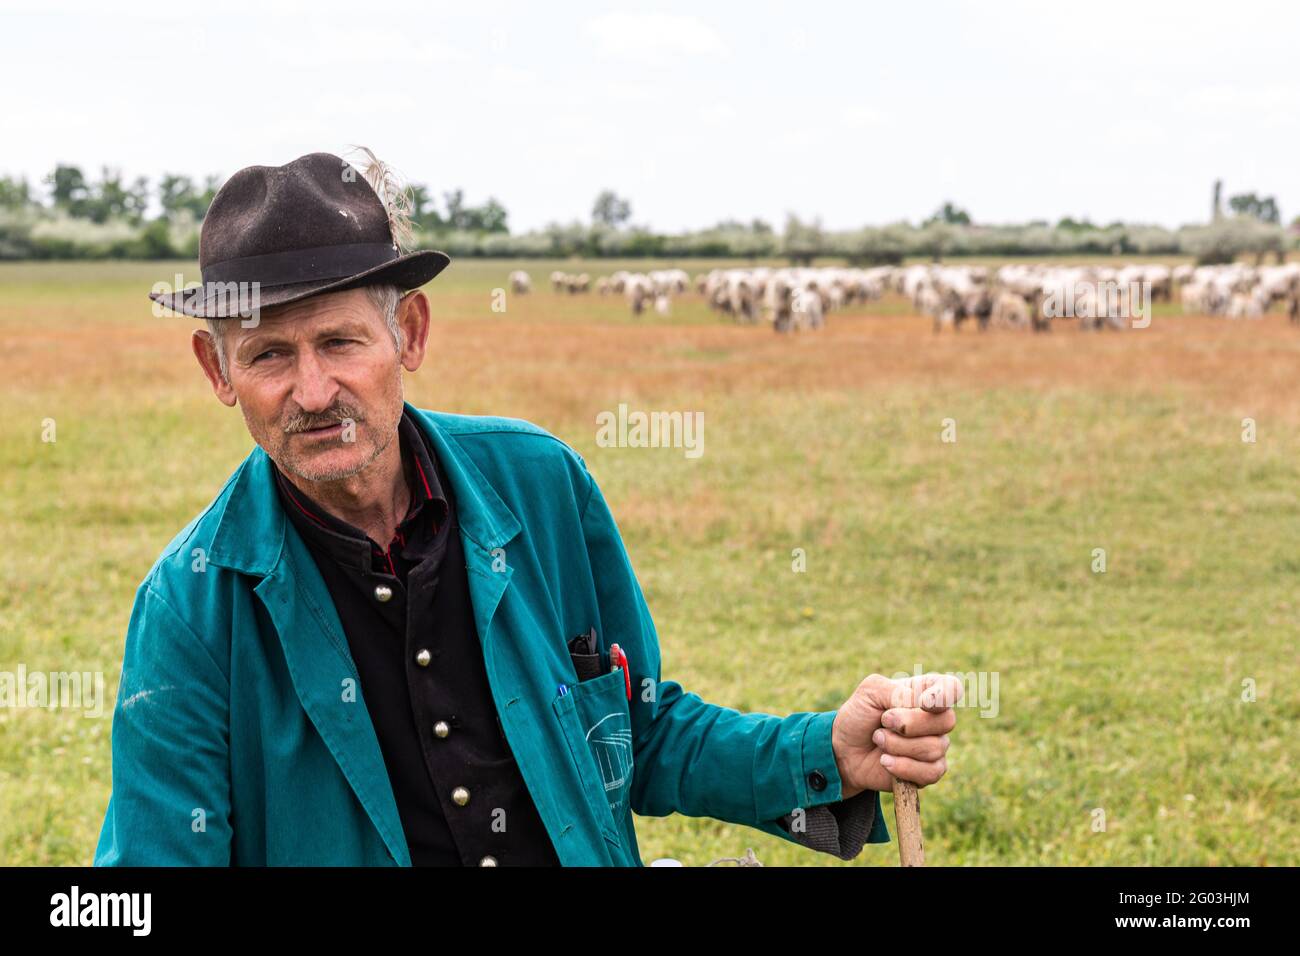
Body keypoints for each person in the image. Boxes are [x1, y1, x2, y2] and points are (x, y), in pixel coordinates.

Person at [94, 151, 959, 866]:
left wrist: (829, 754)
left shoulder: (540, 486)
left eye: (341, 342)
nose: (313, 390)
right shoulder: (192, 606)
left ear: (411, 335)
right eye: (269, 355)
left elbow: (641, 734)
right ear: (218, 373)